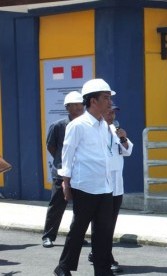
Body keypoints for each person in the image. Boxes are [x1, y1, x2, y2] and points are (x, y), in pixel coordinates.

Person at [54, 78, 116, 276]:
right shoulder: (78, 125)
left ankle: (103, 270)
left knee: (104, 232)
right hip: (84, 186)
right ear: (93, 101)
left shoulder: (105, 126)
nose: (109, 102)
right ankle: (63, 267)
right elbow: (67, 154)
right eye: (105, 98)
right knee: (78, 230)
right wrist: (66, 182)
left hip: (105, 186)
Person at [88, 105, 133, 273]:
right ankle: (105, 257)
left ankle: (99, 254)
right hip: (100, 183)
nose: (111, 115)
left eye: (113, 112)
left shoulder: (116, 129)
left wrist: (123, 138)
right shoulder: (94, 130)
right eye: (108, 111)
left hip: (116, 184)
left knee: (110, 224)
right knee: (101, 224)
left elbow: (127, 152)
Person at [42, 91, 84, 248]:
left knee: (81, 208)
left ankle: (76, 236)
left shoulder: (86, 125)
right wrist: (61, 162)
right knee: (57, 205)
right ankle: (48, 236)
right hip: (61, 173)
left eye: (81, 104)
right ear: (68, 107)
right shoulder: (58, 126)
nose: (80, 107)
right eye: (76, 105)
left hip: (80, 172)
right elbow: (51, 147)